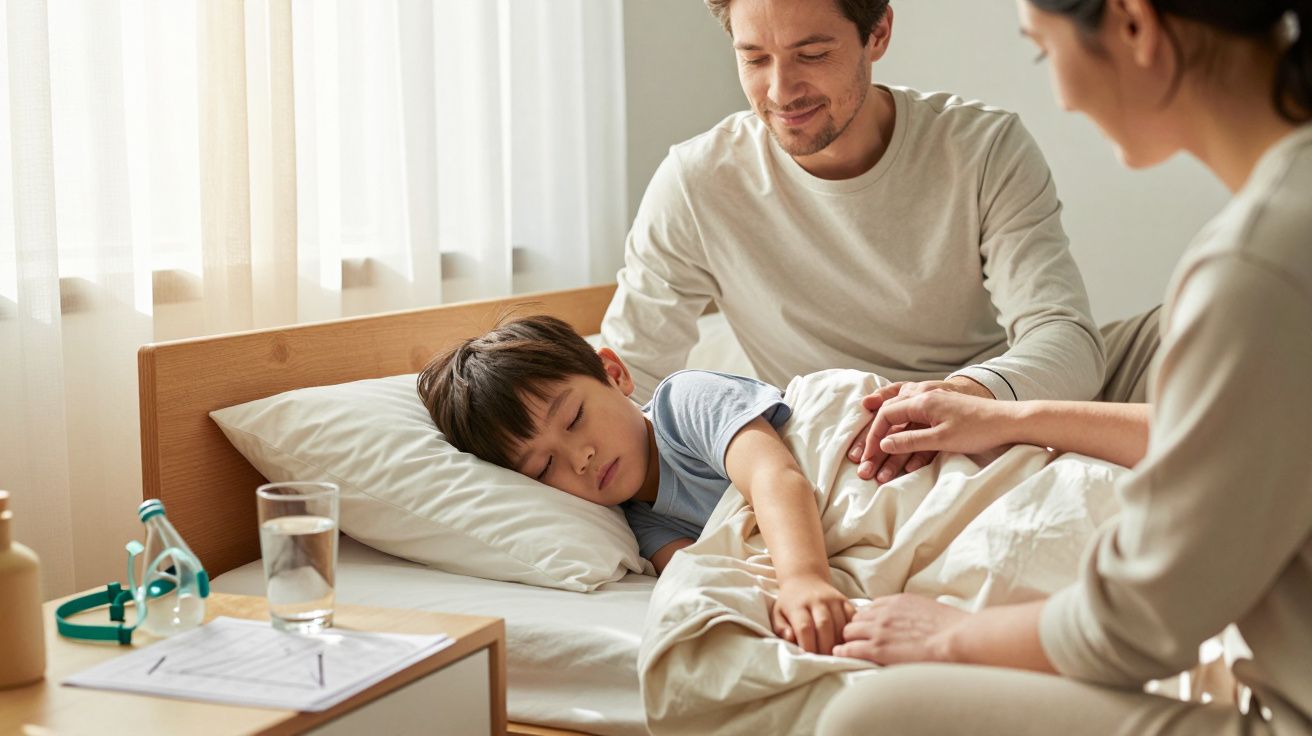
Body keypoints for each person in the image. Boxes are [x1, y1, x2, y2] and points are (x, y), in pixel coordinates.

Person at [819, 0, 1312, 733]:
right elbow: (1230, 438)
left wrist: (946, 635)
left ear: (1135, 26)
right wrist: (1005, 415)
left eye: (1044, 54)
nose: (1063, 96)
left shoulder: (1257, 264)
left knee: (868, 715)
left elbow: (1135, 622)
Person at [601, 0, 1114, 486]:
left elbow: (1066, 341)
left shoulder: (982, 149)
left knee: (1178, 340)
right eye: (754, 58)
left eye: (813, 54)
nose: (781, 91)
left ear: (879, 34)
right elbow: (629, 379)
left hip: (990, 411)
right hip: (847, 451)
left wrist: (961, 397)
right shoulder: (698, 183)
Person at [416, 315, 855, 655]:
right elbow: (715, 570)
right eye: (544, 467)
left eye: (574, 419)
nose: (580, 458)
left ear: (614, 374)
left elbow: (774, 476)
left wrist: (804, 580)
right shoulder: (641, 525)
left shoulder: (683, 403)